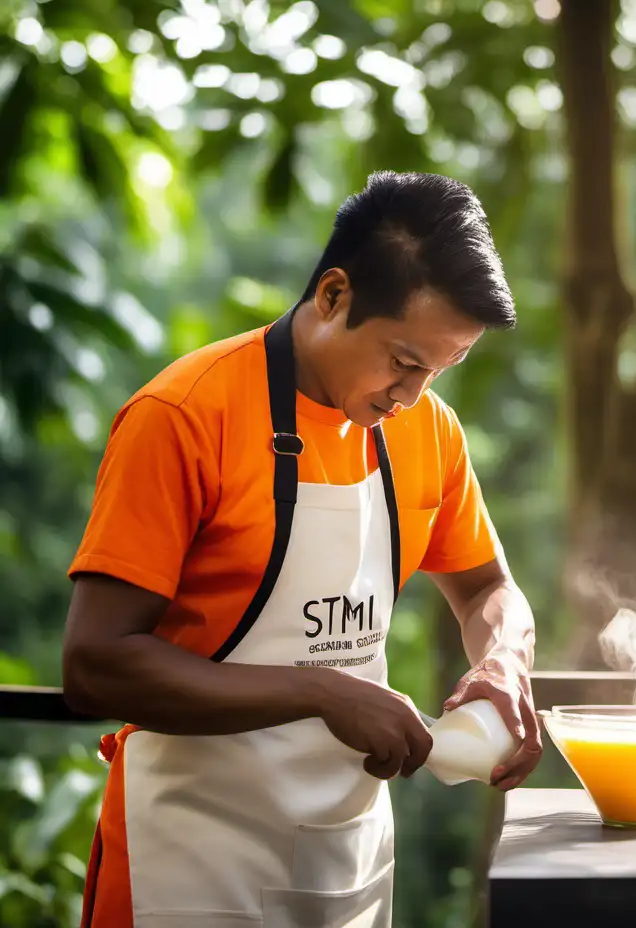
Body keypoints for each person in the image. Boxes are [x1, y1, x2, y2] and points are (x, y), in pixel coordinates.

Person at [60, 170, 541, 928]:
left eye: (442, 370)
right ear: (333, 296)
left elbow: (487, 590)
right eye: (405, 362)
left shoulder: (429, 433)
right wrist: (323, 691)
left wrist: (505, 663)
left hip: (347, 861)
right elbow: (93, 664)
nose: (412, 397)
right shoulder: (183, 416)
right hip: (187, 859)